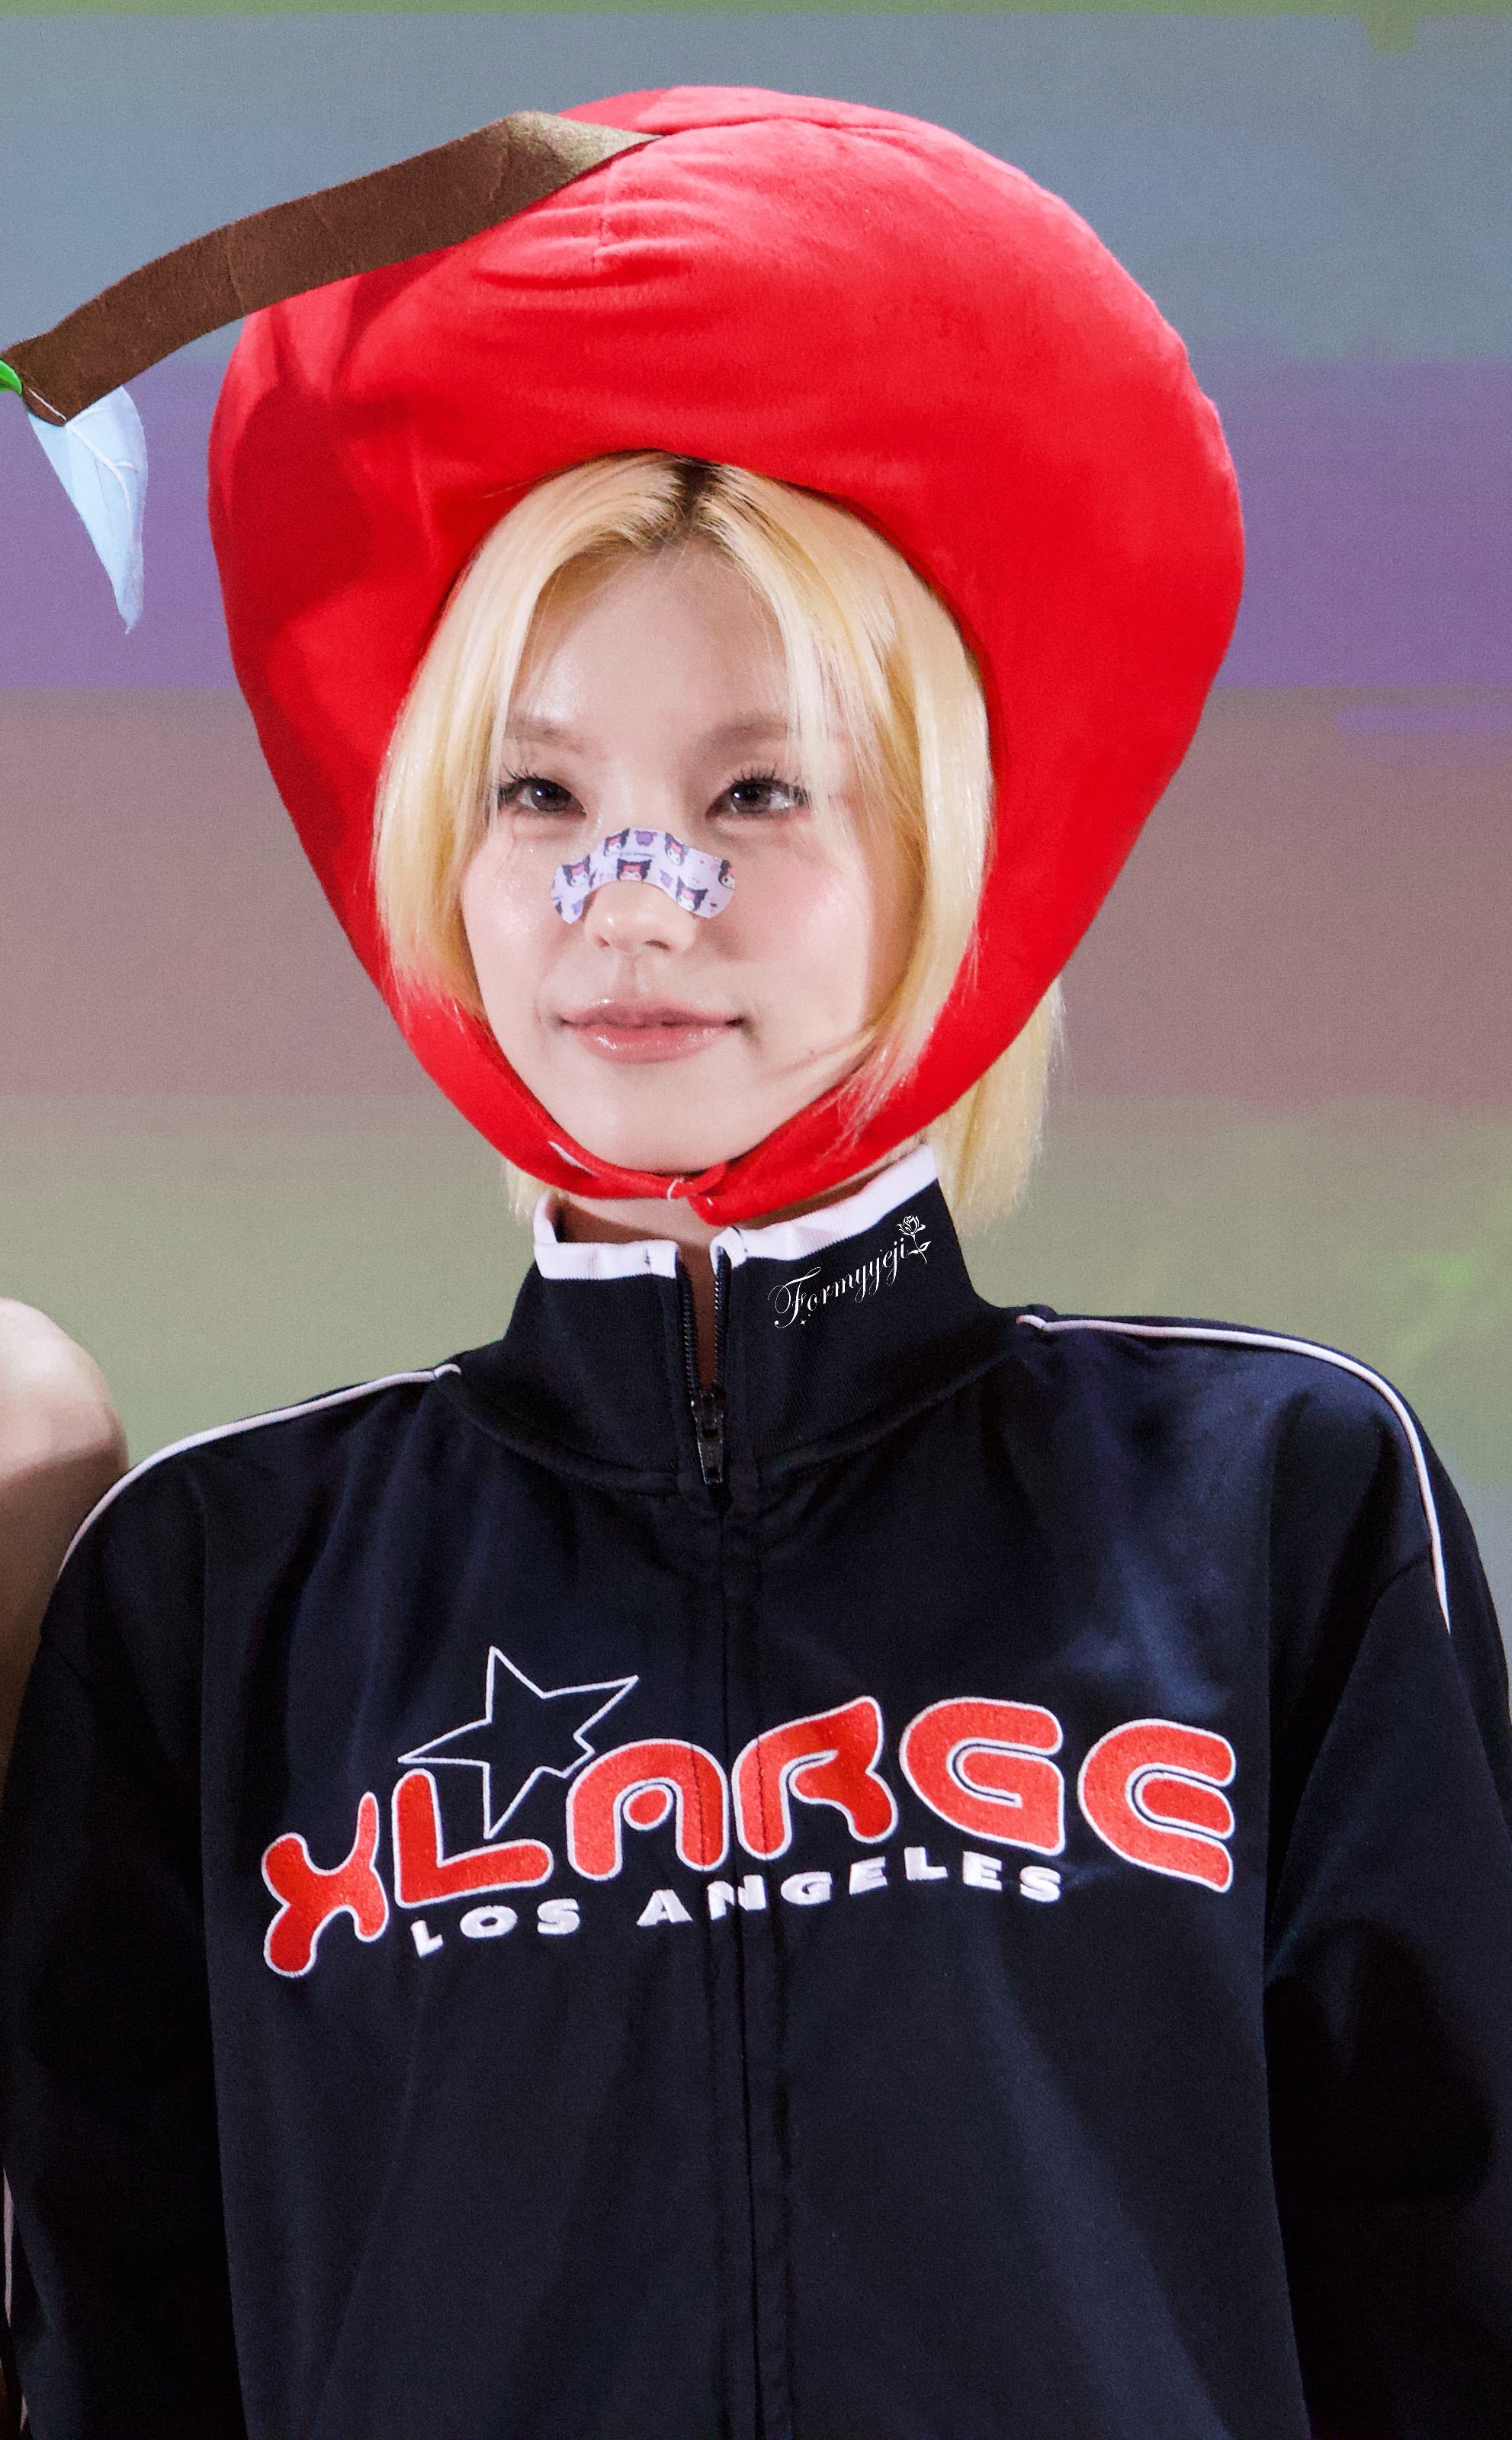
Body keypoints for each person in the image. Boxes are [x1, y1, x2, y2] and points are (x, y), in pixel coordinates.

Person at [0, 85, 1509, 2440]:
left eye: (755, 791)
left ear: (945, 844)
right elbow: (119, 2344)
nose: (635, 898)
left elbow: (1456, 2288)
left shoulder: (1277, 1502)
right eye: (540, 791)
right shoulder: (212, 1594)